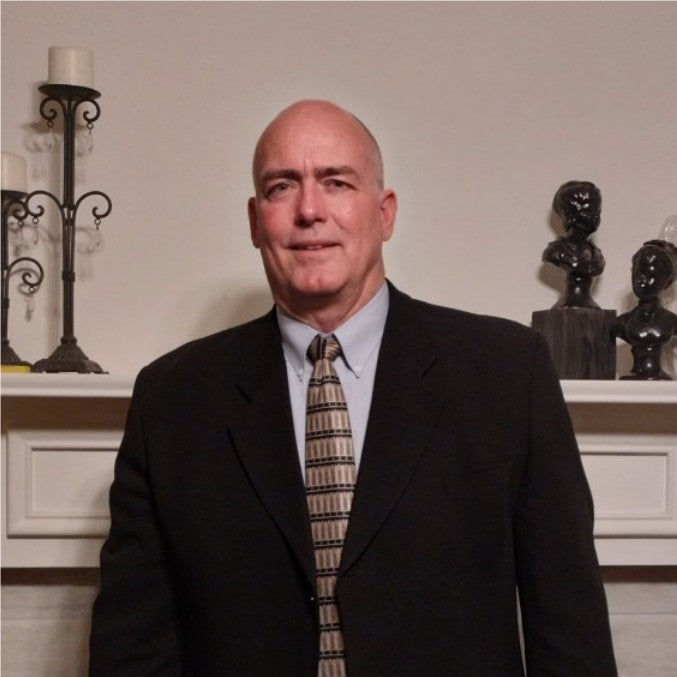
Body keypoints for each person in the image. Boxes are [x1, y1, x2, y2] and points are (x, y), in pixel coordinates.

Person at [89, 100, 617, 675]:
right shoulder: (172, 401)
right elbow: (130, 652)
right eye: (282, 187)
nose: (309, 210)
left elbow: (571, 633)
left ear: (385, 213)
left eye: (336, 182)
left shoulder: (508, 374)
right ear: (255, 221)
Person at [613, 239, 677, 379]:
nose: (641, 280)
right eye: (637, 273)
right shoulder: (620, 323)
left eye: (650, 275)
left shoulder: (672, 322)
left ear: (666, 283)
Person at [542, 180, 605, 309]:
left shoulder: (596, 254)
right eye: (589, 210)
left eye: (598, 211)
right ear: (570, 215)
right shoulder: (556, 252)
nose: (596, 217)